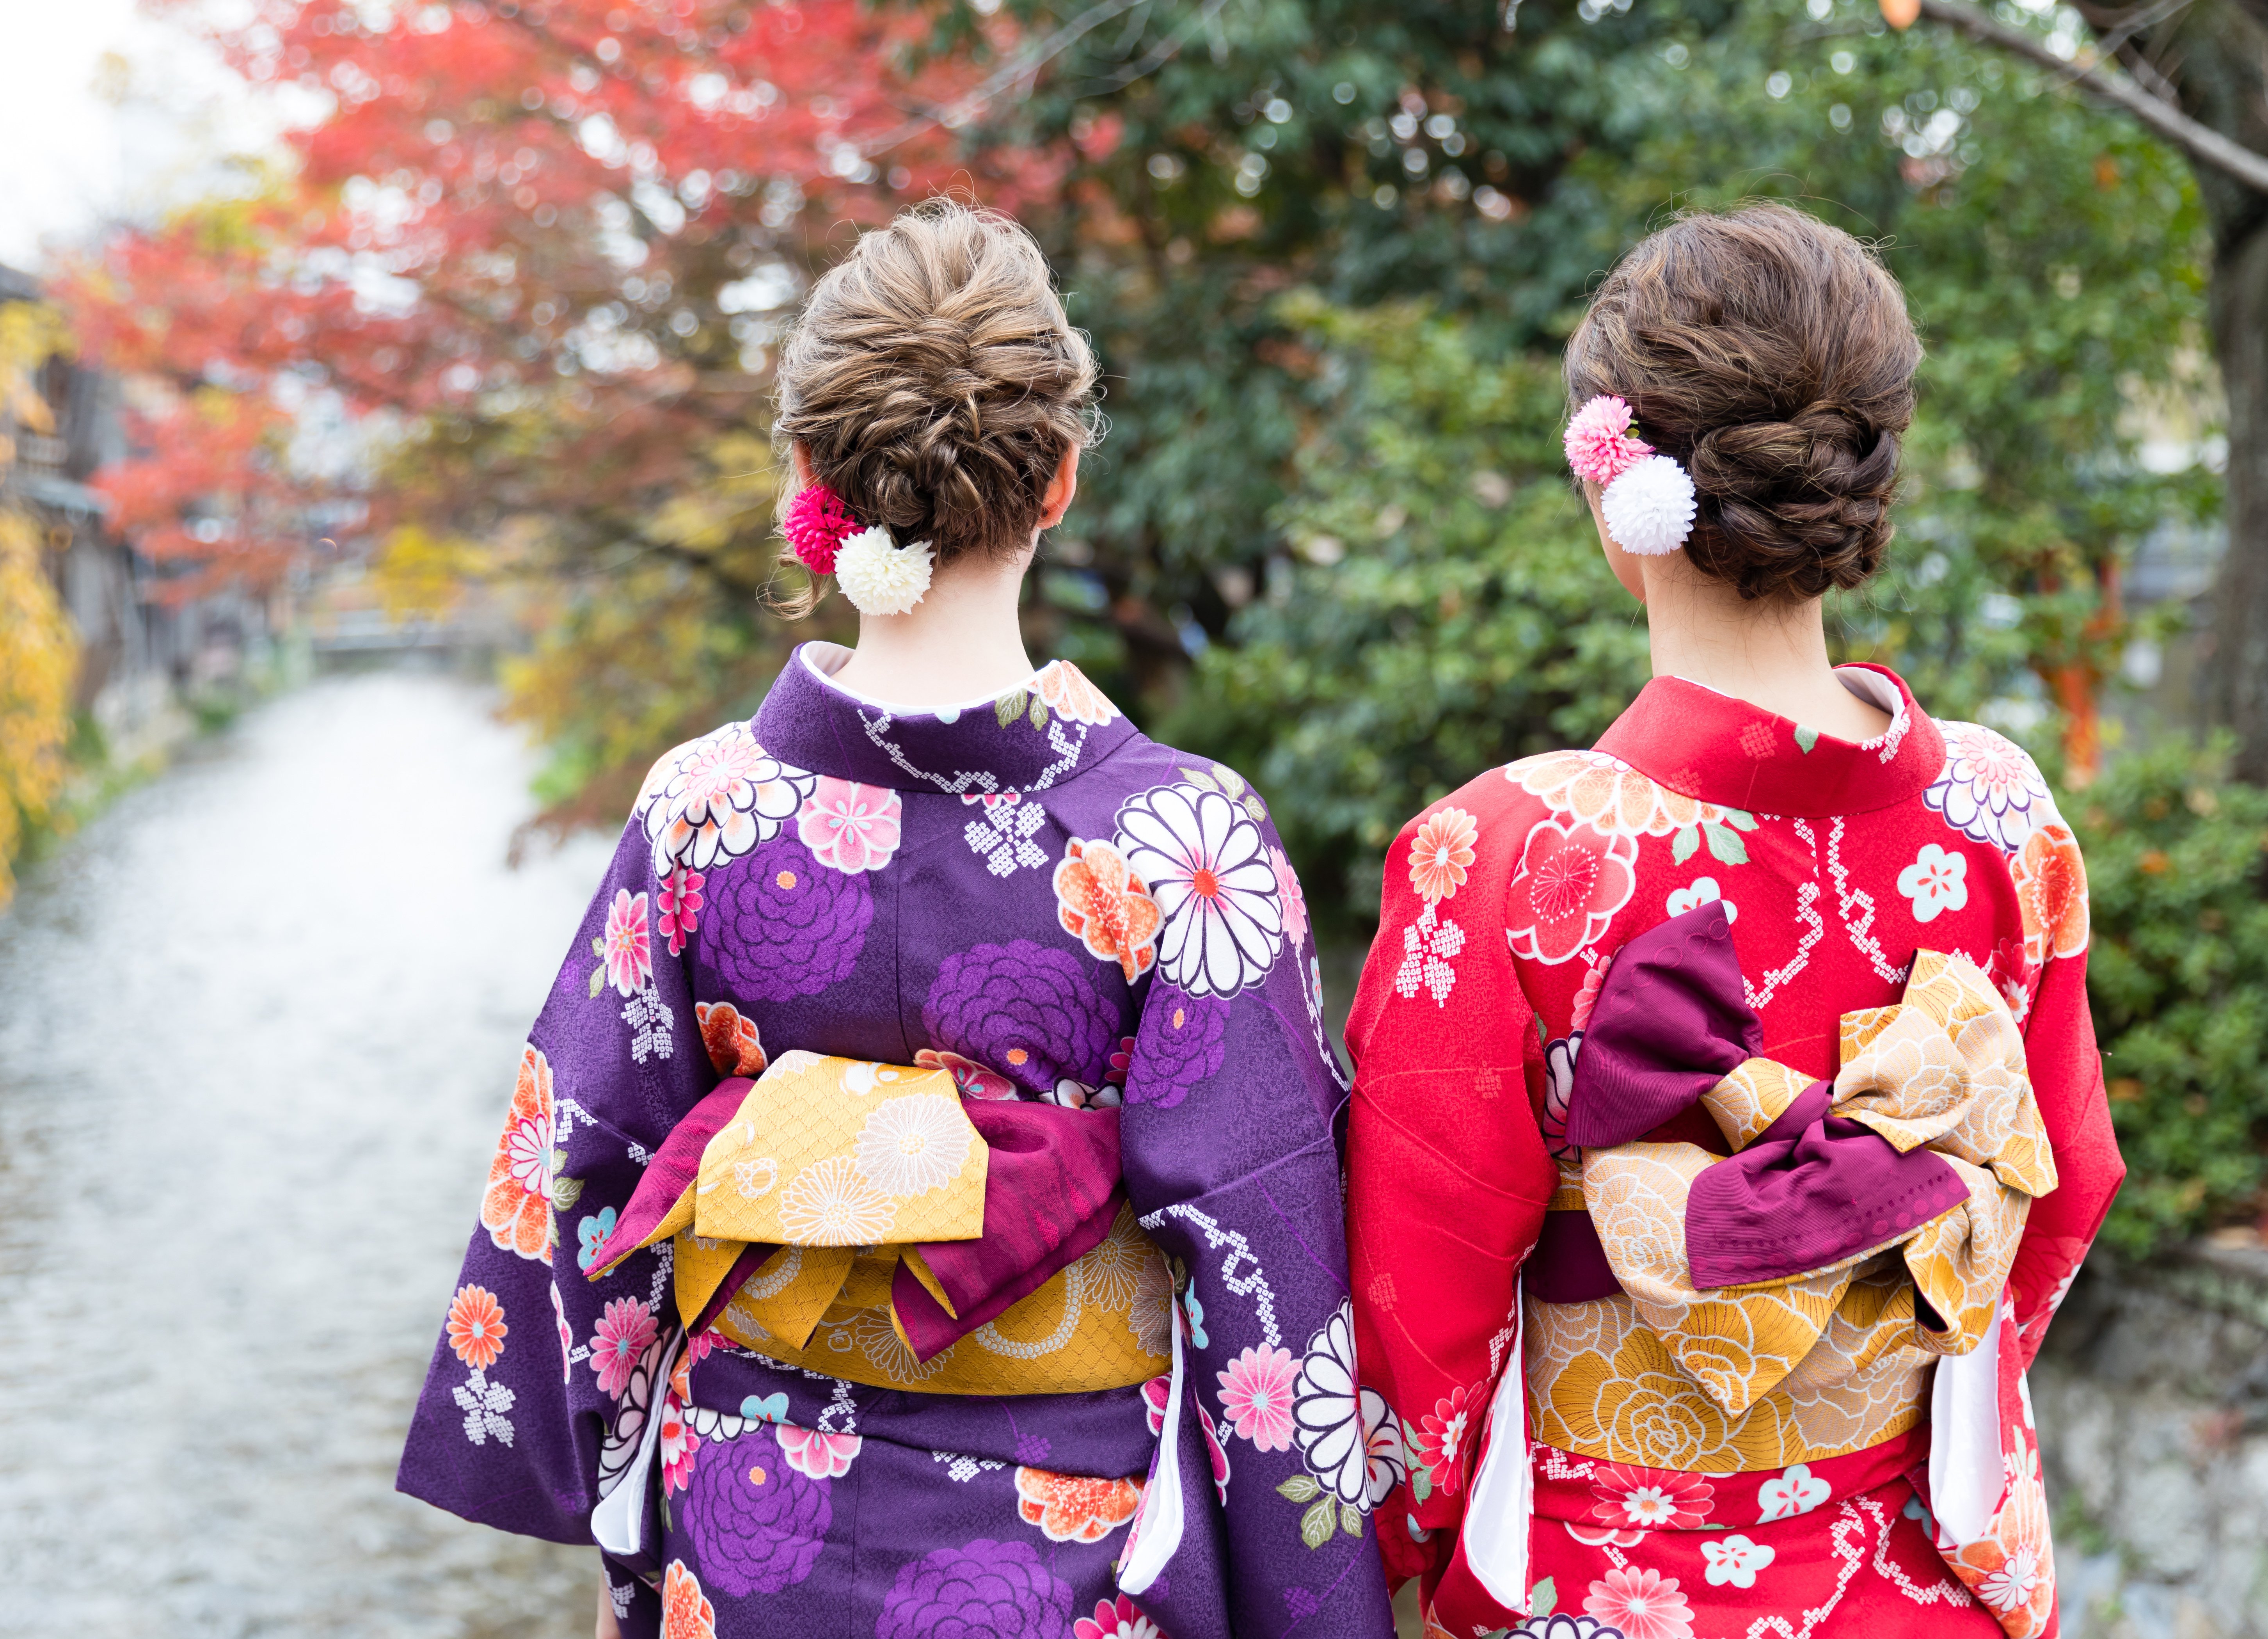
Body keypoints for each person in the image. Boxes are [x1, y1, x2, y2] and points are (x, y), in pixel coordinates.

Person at [396, 200, 1397, 1639]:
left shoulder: (699, 811)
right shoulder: (1187, 842)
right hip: (1069, 1551)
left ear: (811, 472)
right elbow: (1269, 1274)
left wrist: (615, 1504)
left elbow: (575, 1187)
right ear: (1058, 478)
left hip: (750, 1542)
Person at [1344, 203, 2123, 1639]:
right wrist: (1909, 1381)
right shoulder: (2008, 816)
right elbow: (2065, 1183)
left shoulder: (1507, 850)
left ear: (1612, 486)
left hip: (1611, 1582)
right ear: (1867, 478)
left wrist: (1426, 1545)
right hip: (1921, 1568)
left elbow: (1417, 1300)